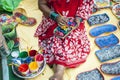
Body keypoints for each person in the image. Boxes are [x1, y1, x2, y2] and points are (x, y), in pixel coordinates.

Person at [35, 0, 94, 80]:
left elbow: (86, 3)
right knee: (56, 40)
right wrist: (55, 16)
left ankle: (59, 72)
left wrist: (78, 18)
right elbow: (41, 4)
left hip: (73, 20)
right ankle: (59, 72)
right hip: (54, 19)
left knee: (72, 39)